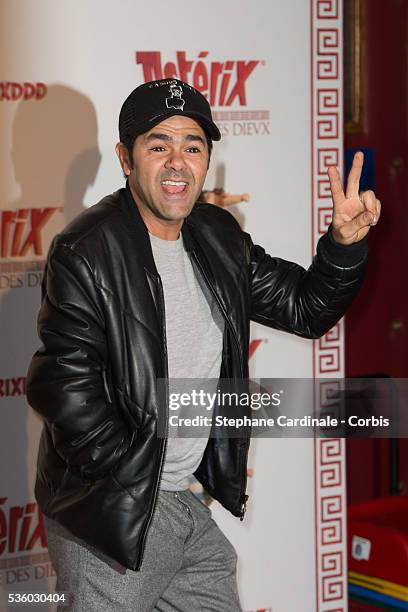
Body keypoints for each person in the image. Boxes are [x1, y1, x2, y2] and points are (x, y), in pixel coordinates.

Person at [26, 78, 380, 611]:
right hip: (114, 513)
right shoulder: (86, 252)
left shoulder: (217, 234)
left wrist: (343, 246)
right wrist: (131, 475)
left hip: (184, 504)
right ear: (126, 158)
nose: (177, 161)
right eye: (158, 144)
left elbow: (305, 309)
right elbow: (63, 388)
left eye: (192, 146)